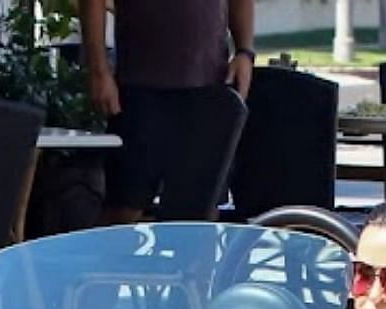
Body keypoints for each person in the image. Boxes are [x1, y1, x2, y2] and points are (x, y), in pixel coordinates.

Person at [80, 0, 256, 224]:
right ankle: (112, 260)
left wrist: (244, 52)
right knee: (124, 207)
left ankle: (192, 260)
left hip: (209, 86)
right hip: (139, 87)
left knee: (202, 210)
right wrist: (99, 71)